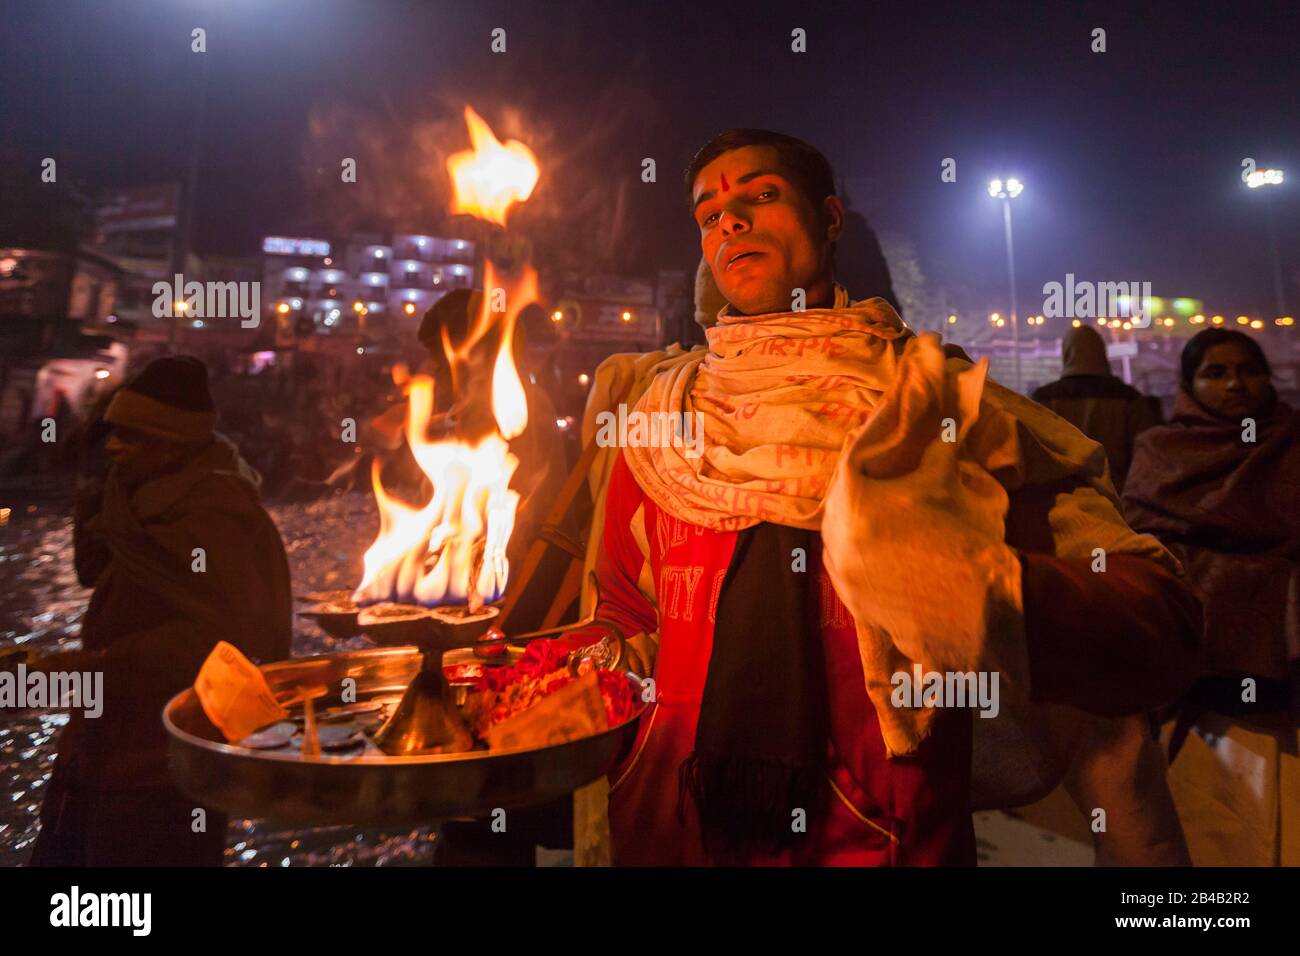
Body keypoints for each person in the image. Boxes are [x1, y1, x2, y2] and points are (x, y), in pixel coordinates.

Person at [554, 128, 1201, 866]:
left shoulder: (939, 403)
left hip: (883, 838)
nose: (728, 221)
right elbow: (626, 614)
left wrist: (988, 599)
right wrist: (539, 682)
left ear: (829, 217)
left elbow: (1162, 619)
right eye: (708, 214)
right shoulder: (656, 421)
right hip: (670, 831)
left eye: (760, 196)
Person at [26, 355, 293, 866]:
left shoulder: (218, 516)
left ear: (176, 443)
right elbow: (92, 571)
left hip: (163, 765)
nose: (114, 446)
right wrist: (96, 492)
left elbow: (228, 646)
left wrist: (102, 665)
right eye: (112, 434)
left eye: (132, 436)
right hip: (97, 746)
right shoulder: (134, 499)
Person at [1124, 328, 1300, 866]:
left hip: (1284, 695)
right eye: (1216, 373)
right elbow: (1138, 543)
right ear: (1189, 384)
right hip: (1193, 688)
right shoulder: (1161, 450)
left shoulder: (1291, 444)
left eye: (1248, 370)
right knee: (1205, 841)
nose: (1236, 384)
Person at [1031, 323, 1162, 492]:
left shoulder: (1044, 399)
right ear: (1102, 352)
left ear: (1066, 352)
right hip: (1117, 497)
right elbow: (1146, 456)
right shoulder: (1129, 398)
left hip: (1061, 497)